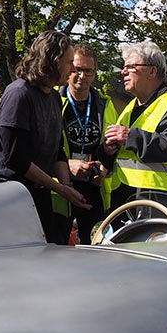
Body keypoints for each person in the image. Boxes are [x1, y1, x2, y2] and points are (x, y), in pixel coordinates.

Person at [0, 30, 89, 244]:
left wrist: (67, 186)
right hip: (14, 199)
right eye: (69, 62)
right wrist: (60, 188)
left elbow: (57, 149)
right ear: (52, 61)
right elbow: (17, 160)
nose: (73, 69)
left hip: (42, 196)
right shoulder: (18, 95)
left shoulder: (55, 97)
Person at [102, 41, 167, 220]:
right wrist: (107, 152)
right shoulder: (131, 106)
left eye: (131, 67)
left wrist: (130, 136)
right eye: (124, 67)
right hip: (126, 199)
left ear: (152, 71)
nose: (123, 72)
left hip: (163, 199)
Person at [60, 43, 109, 243]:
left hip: (94, 189)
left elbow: (114, 146)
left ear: (95, 73)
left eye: (88, 71)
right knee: (59, 249)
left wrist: (105, 166)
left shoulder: (105, 104)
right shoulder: (52, 100)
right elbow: (42, 148)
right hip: (61, 188)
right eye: (77, 69)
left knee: (97, 250)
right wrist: (67, 165)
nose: (82, 76)